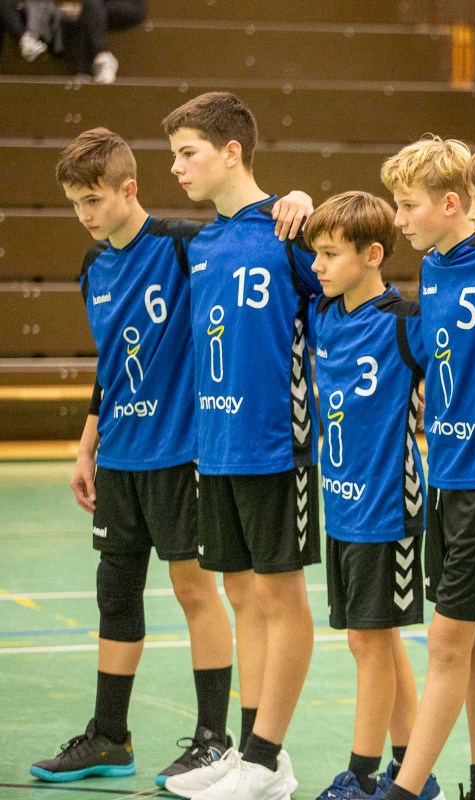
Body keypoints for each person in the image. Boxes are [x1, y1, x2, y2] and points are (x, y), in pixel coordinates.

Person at [31, 126, 311, 792]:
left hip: (182, 451)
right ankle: (109, 734)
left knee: (194, 589)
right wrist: (87, 446)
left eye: (94, 200)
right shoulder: (92, 267)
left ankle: (215, 740)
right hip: (120, 455)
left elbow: (256, 237)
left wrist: (296, 199)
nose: (85, 214)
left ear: (128, 188)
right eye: (75, 203)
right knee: (115, 592)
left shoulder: (187, 245)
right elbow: (110, 365)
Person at [161, 91, 322, 800]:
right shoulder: (202, 245)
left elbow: (354, 282)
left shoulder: (290, 231)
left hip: (275, 446)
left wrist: (307, 203)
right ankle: (256, 756)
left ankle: (265, 754)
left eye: (187, 153)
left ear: (232, 152)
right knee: (240, 594)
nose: (176, 168)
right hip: (216, 446)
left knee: (281, 598)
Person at [380, 136, 475, 800]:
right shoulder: (433, 266)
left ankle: (404, 789)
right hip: (447, 474)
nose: (398, 218)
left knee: (447, 642)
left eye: (409, 205)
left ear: (453, 203)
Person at [304, 190, 443, 800]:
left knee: (368, 640)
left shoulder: (406, 322)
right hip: (341, 506)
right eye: (316, 253)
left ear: (373, 255)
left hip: (388, 508)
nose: (318, 266)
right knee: (379, 639)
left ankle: (360, 776)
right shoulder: (323, 313)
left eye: (331, 254)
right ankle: (415, 772)